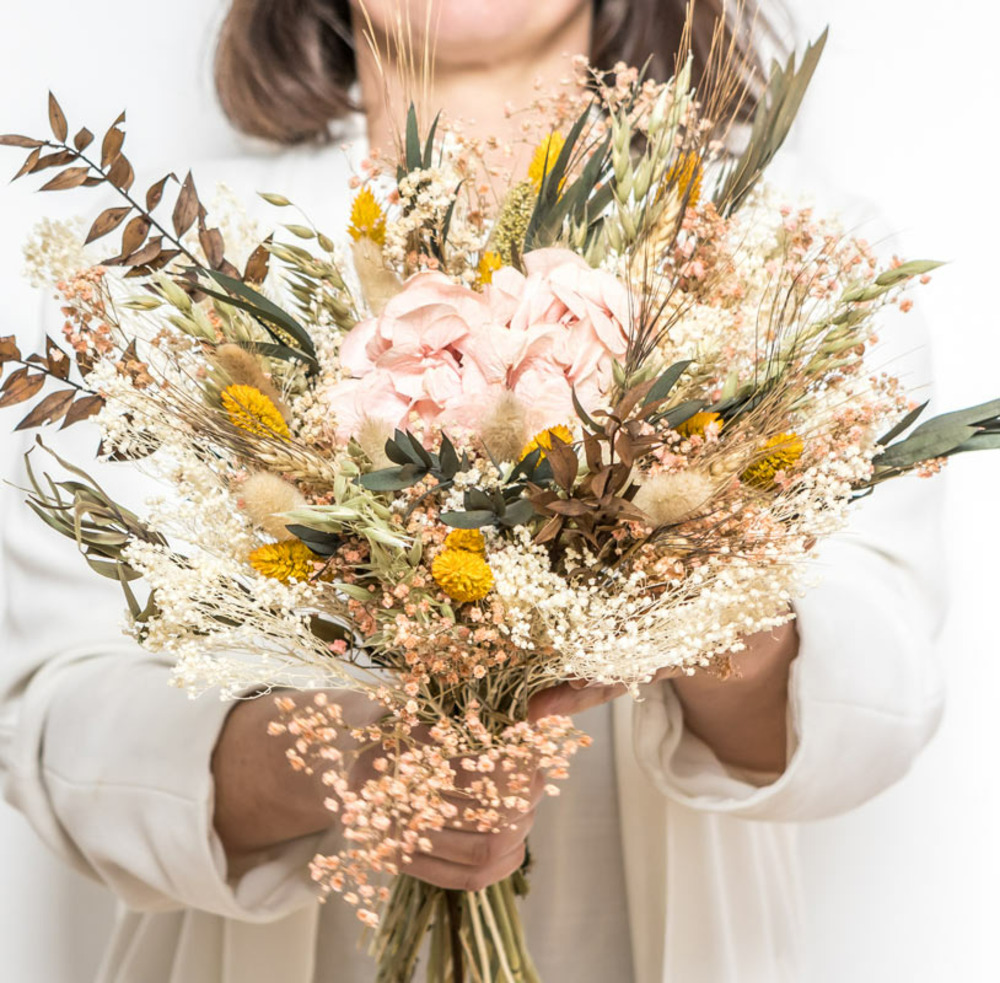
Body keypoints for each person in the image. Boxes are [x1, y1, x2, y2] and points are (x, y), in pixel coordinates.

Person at [0, 1, 946, 981]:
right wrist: (351, 761)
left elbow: (875, 691)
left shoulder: (787, 243)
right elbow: (58, 723)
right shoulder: (155, 266)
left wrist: (700, 591)